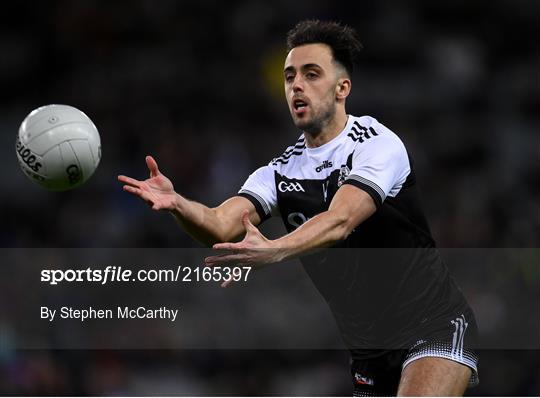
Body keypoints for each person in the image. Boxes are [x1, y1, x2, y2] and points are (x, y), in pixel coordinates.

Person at [118, 20, 479, 396]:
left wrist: (275, 248)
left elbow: (341, 219)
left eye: (311, 74)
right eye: (290, 76)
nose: (296, 86)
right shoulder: (279, 171)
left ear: (343, 88)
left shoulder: (375, 144)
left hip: (432, 323)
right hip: (369, 351)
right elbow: (220, 225)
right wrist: (178, 205)